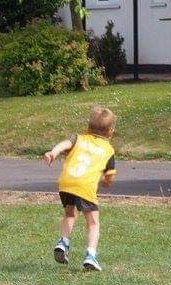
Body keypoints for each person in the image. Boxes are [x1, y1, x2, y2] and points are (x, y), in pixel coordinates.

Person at [44, 105, 118, 272]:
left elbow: (64, 144)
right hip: (85, 187)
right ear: (110, 132)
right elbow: (109, 176)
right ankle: (90, 255)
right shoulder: (108, 150)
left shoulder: (78, 138)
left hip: (66, 182)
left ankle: (63, 242)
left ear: (87, 126)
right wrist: (106, 181)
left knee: (70, 214)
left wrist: (52, 153)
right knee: (93, 223)